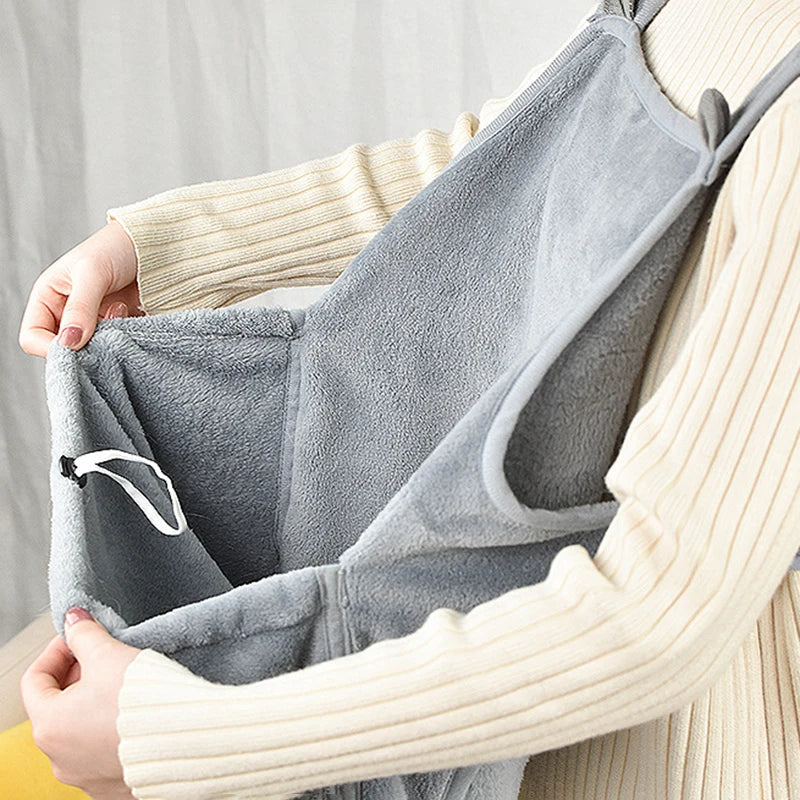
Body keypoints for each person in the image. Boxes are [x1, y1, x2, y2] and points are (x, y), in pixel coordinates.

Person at [10, 0, 800, 797]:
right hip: (481, 707)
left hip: (673, 757)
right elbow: (492, 168)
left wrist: (184, 736)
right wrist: (171, 245)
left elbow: (661, 611)